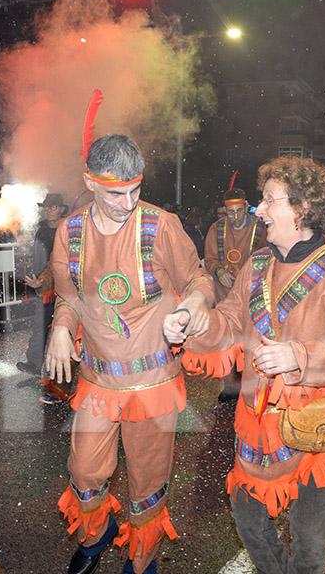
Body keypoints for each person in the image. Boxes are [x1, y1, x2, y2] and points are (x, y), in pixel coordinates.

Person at [167, 156, 325, 574]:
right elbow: (230, 321)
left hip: (321, 423)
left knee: (308, 535)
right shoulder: (258, 262)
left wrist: (298, 356)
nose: (258, 210)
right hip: (258, 418)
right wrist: (190, 325)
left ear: (302, 208)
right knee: (248, 518)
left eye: (268, 201)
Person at [45, 134, 213, 574]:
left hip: (153, 386)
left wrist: (195, 303)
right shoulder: (70, 231)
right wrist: (61, 330)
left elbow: (198, 279)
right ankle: (97, 536)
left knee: (147, 483)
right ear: (90, 182)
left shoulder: (161, 225)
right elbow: (67, 298)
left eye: (135, 190)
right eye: (116, 193)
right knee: (84, 474)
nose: (128, 202)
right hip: (98, 382)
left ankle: (142, 560)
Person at [204, 188, 265, 401]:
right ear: (225, 211)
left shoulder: (260, 228)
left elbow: (268, 257)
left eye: (240, 212)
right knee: (227, 342)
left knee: (249, 342)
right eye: (231, 213)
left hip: (250, 297)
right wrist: (219, 271)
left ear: (246, 208)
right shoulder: (216, 229)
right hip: (225, 295)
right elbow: (209, 259)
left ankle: (249, 386)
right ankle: (230, 386)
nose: (236, 217)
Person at [16, 192, 68, 405]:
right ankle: (36, 362)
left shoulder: (67, 230)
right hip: (44, 285)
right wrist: (39, 281)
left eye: (53, 207)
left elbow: (61, 263)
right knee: (41, 325)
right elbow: (45, 262)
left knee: (62, 331)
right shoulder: (42, 230)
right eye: (46, 207)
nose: (48, 210)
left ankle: (62, 380)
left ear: (62, 209)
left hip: (63, 290)